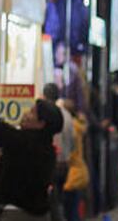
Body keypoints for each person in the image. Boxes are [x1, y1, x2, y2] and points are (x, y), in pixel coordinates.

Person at [0, 72, 64, 219]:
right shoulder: (46, 149)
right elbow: (23, 168)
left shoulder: (26, 142)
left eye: (32, 113)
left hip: (16, 215)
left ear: (41, 124)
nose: (25, 113)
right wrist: (3, 158)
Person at [43, 83, 74, 221]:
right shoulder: (67, 115)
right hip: (65, 164)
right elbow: (72, 142)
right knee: (58, 199)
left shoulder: (46, 114)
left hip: (52, 164)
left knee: (52, 202)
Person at [59, 99, 89, 221]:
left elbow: (69, 152)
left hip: (72, 175)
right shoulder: (77, 125)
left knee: (70, 212)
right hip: (79, 172)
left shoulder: (71, 128)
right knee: (73, 210)